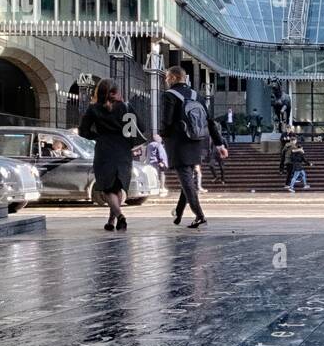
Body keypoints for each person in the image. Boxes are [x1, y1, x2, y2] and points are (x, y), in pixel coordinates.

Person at [161, 65, 228, 228]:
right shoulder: (196, 95)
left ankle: (199, 215)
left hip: (178, 143)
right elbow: (210, 122)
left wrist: (163, 135)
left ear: (174, 78)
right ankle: (178, 212)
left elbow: (167, 121)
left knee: (186, 179)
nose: (166, 80)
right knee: (188, 179)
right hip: (196, 142)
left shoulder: (169, 95)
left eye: (167, 77)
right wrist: (219, 144)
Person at [79, 79, 145, 231]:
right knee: (117, 186)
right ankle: (111, 221)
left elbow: (84, 131)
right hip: (123, 150)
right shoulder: (126, 107)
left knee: (107, 188)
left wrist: (98, 136)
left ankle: (118, 217)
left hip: (104, 150)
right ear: (116, 92)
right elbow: (141, 127)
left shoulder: (93, 109)